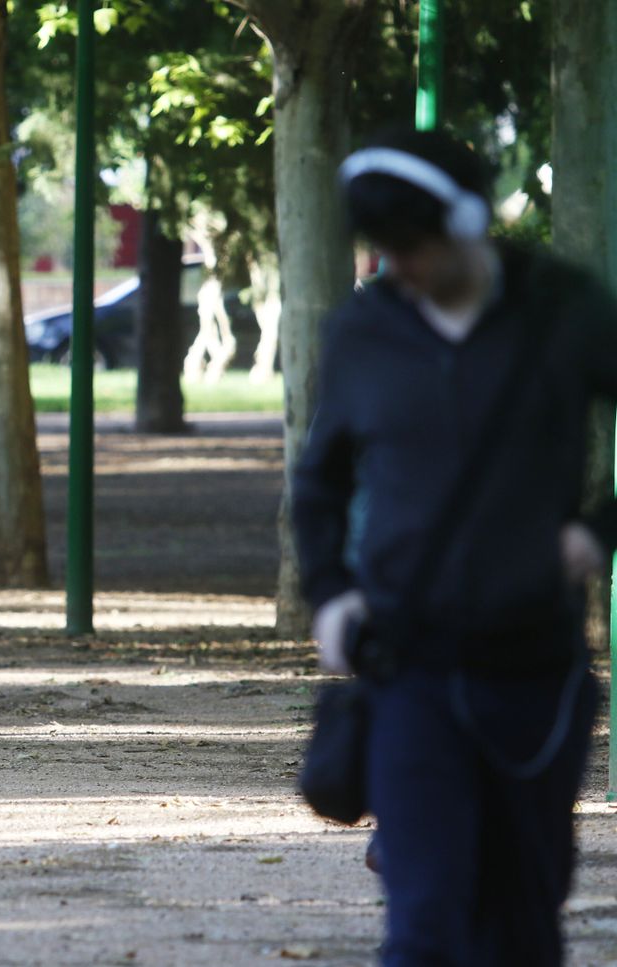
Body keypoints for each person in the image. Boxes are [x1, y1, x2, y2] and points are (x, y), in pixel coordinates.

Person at [294, 127, 617, 966]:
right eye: (384, 249)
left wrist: (598, 529)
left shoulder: (566, 310)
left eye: (415, 246)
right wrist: (330, 595)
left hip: (535, 674)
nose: (400, 266)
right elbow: (319, 482)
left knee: (523, 920)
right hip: (410, 668)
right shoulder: (363, 333)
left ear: (469, 219)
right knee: (425, 919)